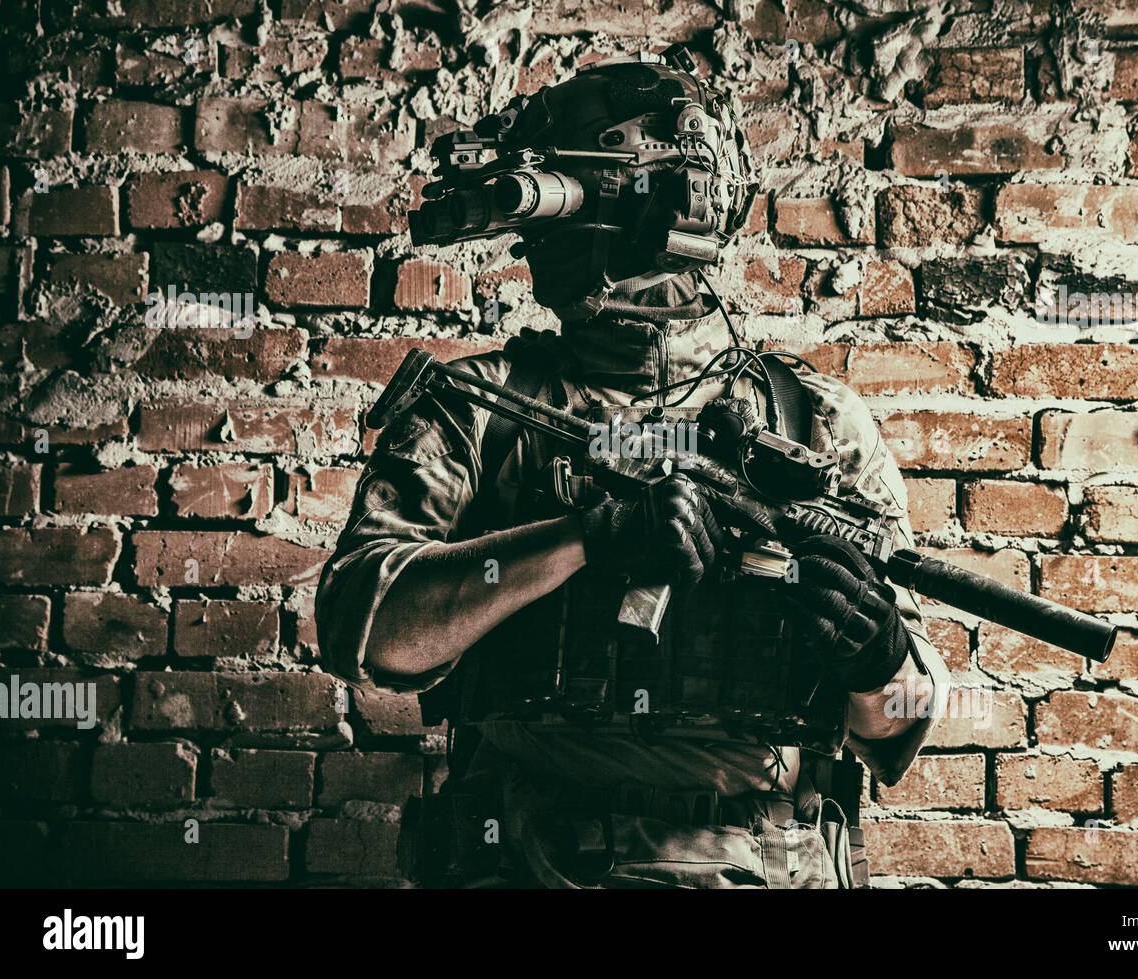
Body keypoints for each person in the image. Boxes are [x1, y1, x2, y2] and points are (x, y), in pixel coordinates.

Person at [316, 48, 948, 888]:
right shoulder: (480, 408)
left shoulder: (813, 422)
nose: (543, 245)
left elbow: (900, 726)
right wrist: (583, 538)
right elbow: (371, 627)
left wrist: (877, 658)